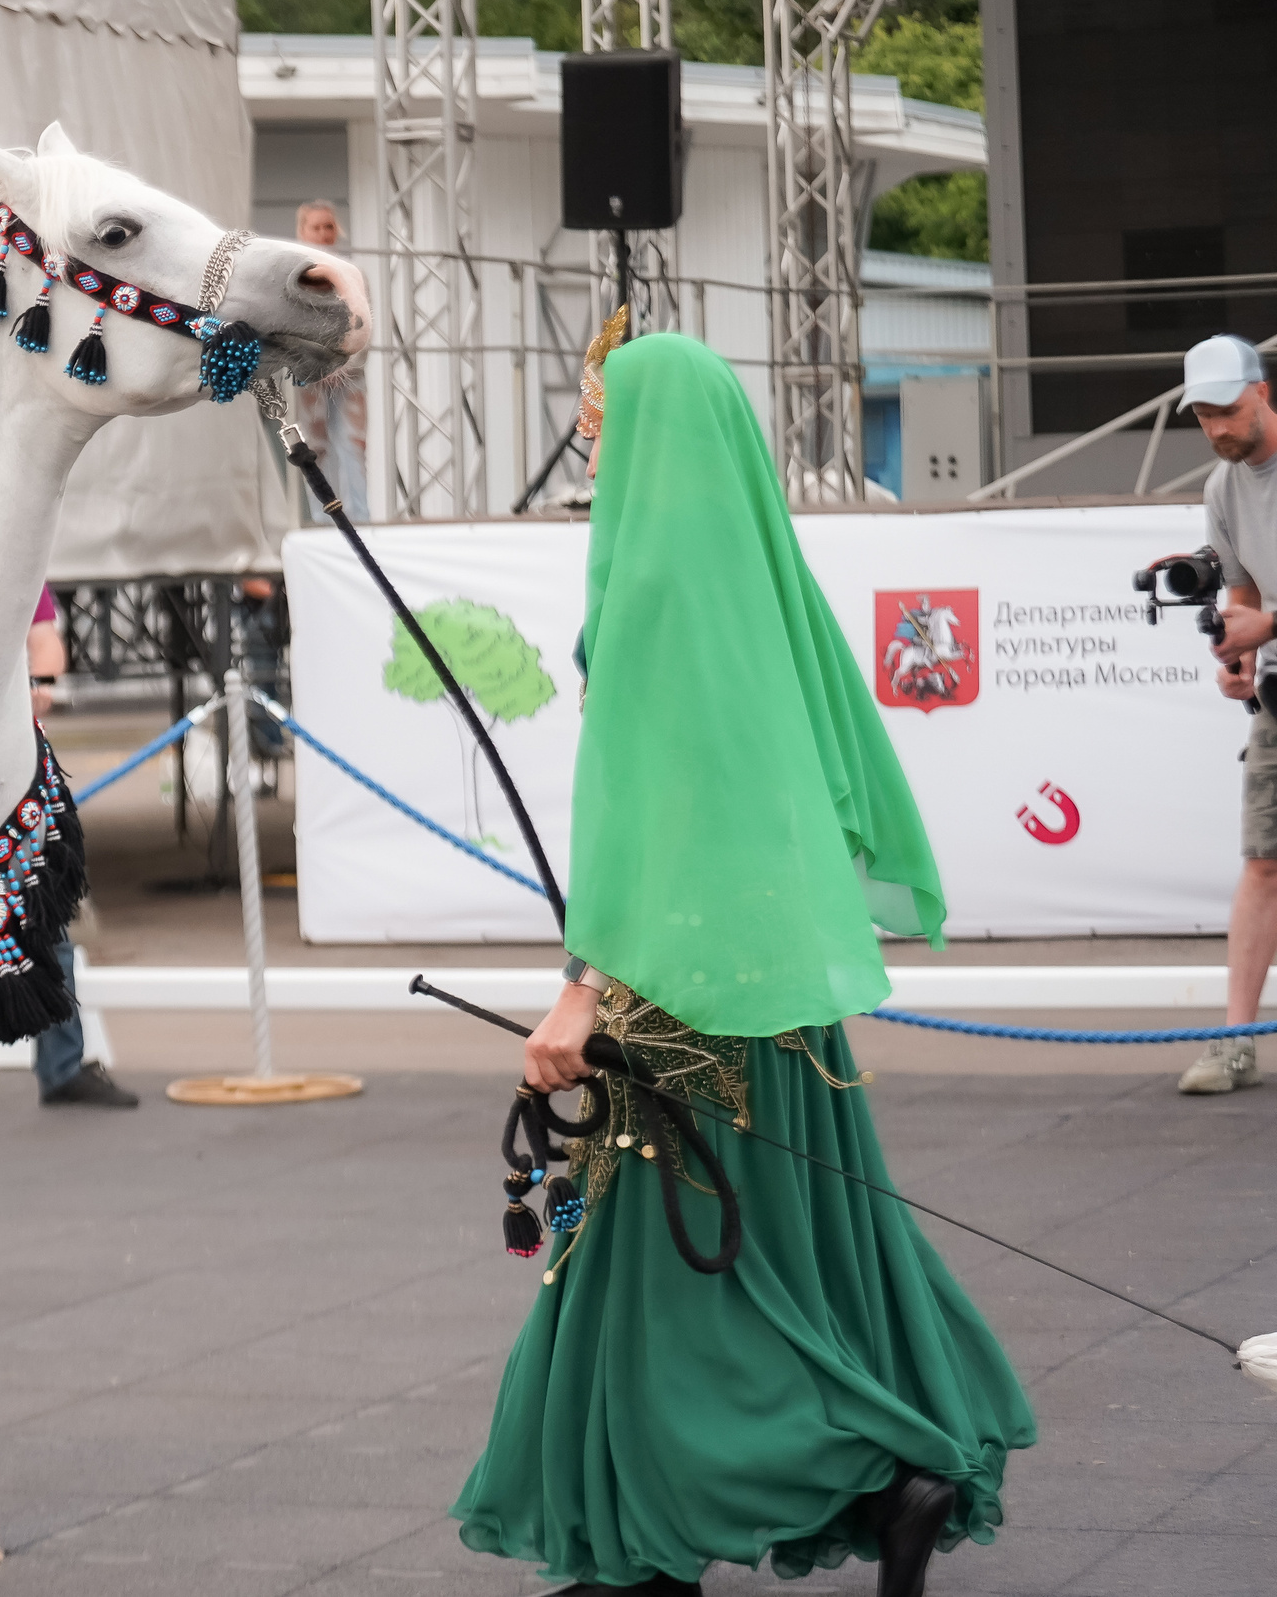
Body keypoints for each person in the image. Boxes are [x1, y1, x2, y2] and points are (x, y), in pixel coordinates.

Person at [451, 332, 1033, 1597]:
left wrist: (578, 993)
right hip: (774, 999)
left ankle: (847, 1484)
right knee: (772, 1259)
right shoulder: (762, 581)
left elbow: (638, 822)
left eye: (603, 422)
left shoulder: (651, 589)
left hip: (677, 1001)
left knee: (667, 1291)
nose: (592, 446)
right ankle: (865, 1483)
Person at [1182, 334, 1277, 1095]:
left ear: (1263, 393)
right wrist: (1239, 653)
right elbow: (1242, 588)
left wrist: (1265, 628)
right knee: (1264, 864)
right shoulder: (1222, 488)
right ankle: (1238, 1042)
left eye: (1227, 409)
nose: (1217, 427)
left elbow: (1263, 611)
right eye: (1203, 414)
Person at [26, 586, 135, 1107]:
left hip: (12, 763)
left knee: (51, 918)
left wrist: (39, 685)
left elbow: (46, 642)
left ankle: (62, 1065)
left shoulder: (19, 561)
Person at [288, 201, 369, 521]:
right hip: (309, 376)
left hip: (349, 375)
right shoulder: (292, 275)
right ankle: (325, 520)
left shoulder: (353, 274)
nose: (323, 234)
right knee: (315, 447)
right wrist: (314, 366)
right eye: (316, 227)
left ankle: (363, 518)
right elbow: (288, 327)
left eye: (329, 227)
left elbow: (365, 324)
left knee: (355, 444)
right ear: (302, 231)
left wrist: (345, 365)